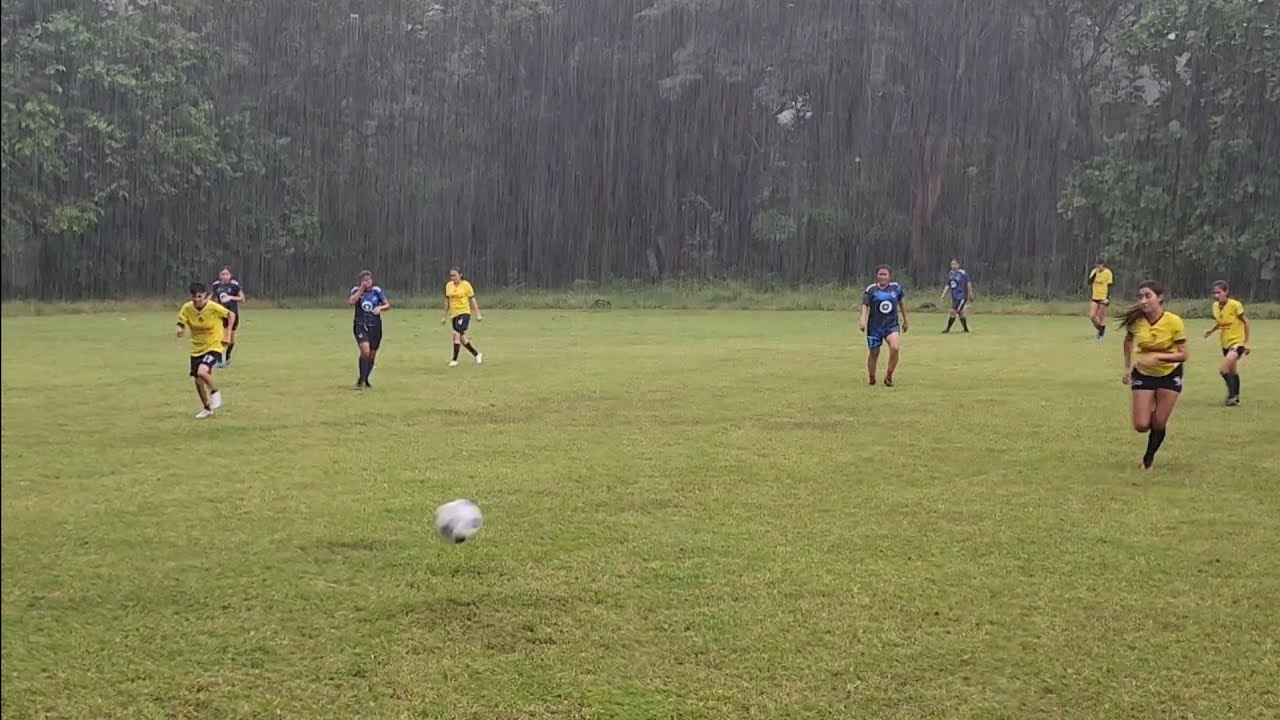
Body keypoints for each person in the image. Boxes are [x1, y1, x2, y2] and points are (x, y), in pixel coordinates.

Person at [1120, 280, 1189, 470]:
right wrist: (1127, 367)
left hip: (1170, 373)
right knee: (1141, 425)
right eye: (1140, 297)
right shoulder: (1136, 322)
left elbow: (1184, 355)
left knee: (1159, 422)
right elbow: (1127, 342)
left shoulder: (1173, 321)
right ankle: (1153, 416)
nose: (1143, 300)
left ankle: (1148, 459)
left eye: (1147, 296)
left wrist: (1158, 357)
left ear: (1159, 298)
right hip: (1143, 373)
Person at [175, 282, 235, 419]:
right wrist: (179, 329)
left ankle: (215, 392)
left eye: (199, 297)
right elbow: (181, 321)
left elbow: (231, 315)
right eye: (194, 297)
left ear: (205, 296)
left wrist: (228, 333)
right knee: (198, 381)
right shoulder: (187, 308)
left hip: (214, 345)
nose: (197, 300)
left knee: (202, 371)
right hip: (197, 347)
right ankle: (207, 408)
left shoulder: (213, 307)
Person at [1203, 280, 1251, 406]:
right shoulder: (1215, 306)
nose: (1216, 295)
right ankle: (1236, 397)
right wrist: (1211, 331)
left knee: (1224, 370)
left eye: (1219, 292)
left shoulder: (1235, 305)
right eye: (1214, 293)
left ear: (1226, 292)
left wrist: (1246, 342)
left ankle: (1232, 396)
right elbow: (1221, 322)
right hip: (1225, 343)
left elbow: (1246, 322)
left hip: (1237, 342)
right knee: (1233, 372)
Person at [859, 265, 908, 386]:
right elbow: (865, 304)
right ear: (877, 276)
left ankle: (889, 376)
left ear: (889, 276)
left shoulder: (896, 288)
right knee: (874, 353)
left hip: (891, 325)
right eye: (880, 274)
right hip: (874, 327)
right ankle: (872, 378)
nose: (883, 277)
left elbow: (901, 303)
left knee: (895, 348)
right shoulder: (871, 289)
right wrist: (862, 319)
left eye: (885, 274)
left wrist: (906, 319)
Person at [349, 270, 390, 388]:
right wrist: (361, 290)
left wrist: (380, 308)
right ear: (361, 282)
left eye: (369, 280)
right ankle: (361, 381)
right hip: (360, 325)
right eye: (365, 280)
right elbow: (351, 302)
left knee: (372, 355)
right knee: (365, 351)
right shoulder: (356, 291)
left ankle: (365, 379)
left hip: (375, 326)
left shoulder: (377, 291)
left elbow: (387, 305)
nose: (368, 282)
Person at [441, 267, 483, 367]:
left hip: (464, 313)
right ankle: (477, 354)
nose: (452, 277)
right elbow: (447, 302)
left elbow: (472, 299)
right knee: (462, 339)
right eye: (451, 275)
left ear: (460, 275)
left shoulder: (466, 285)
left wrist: (477, 313)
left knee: (456, 335)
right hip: (454, 314)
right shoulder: (449, 286)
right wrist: (444, 316)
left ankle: (454, 360)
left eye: (454, 275)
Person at [210, 267, 245, 366]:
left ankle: (228, 355)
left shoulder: (234, 285)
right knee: (220, 337)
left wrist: (231, 297)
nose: (225, 276)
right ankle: (219, 360)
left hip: (233, 315)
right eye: (223, 274)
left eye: (227, 274)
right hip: (220, 315)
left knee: (230, 339)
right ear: (219, 276)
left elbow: (242, 299)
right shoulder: (216, 285)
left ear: (231, 275)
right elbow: (211, 297)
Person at [938, 258, 974, 333]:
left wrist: (970, 294)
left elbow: (968, 283)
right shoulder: (951, 274)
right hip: (954, 297)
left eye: (955, 264)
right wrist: (943, 294)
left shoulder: (963, 273)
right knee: (960, 313)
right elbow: (948, 284)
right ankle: (966, 329)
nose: (953, 266)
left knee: (953, 311)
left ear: (958, 265)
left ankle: (947, 329)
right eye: (952, 264)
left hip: (961, 297)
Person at [1088, 257, 1114, 340]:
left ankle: (1100, 334)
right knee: (1092, 316)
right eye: (1096, 265)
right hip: (1095, 296)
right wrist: (1094, 274)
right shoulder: (1094, 271)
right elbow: (1089, 282)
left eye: (1099, 265)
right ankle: (1101, 330)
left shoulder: (1108, 273)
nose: (1098, 267)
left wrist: (1107, 298)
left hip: (1103, 297)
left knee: (1101, 316)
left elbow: (1110, 286)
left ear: (1102, 265)